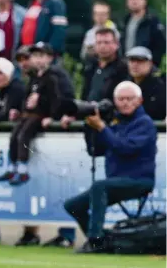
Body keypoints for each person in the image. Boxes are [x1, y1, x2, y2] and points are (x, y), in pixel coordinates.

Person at [65, 81, 156, 253]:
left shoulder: (145, 123)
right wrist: (91, 127)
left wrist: (102, 127)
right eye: (121, 99)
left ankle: (96, 241)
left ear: (140, 101)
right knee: (72, 205)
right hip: (115, 182)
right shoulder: (114, 122)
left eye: (130, 99)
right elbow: (96, 150)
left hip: (139, 180)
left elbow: (125, 148)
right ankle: (105, 240)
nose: (125, 103)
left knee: (100, 186)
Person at [0, 42, 59, 186]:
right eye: (34, 56)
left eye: (40, 56)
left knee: (23, 135)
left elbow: (55, 99)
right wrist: (20, 110)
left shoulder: (52, 77)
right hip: (28, 114)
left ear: (49, 58)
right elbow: (27, 97)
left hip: (40, 115)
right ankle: (12, 167)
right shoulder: (34, 77)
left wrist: (51, 116)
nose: (36, 59)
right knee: (14, 135)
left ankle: (23, 170)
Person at [121, 0, 165, 67]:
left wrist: (152, 64)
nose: (134, 2)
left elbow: (161, 46)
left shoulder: (152, 21)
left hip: (146, 67)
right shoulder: (125, 21)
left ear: (144, 1)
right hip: (127, 66)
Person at [126, 46, 166, 120]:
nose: (135, 64)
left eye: (140, 61)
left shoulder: (161, 85)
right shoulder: (125, 84)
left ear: (150, 63)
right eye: (132, 60)